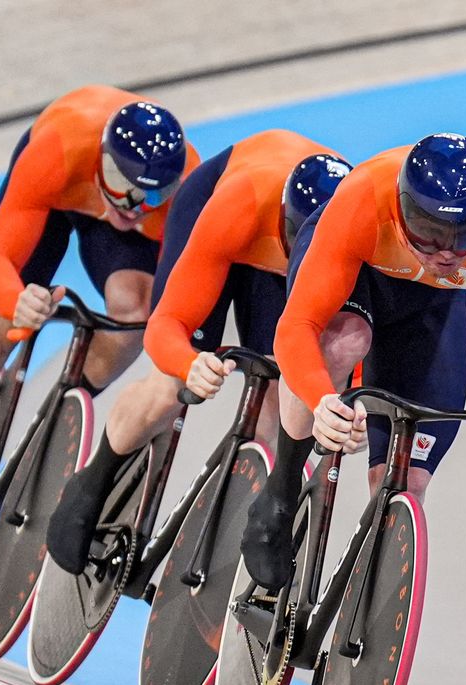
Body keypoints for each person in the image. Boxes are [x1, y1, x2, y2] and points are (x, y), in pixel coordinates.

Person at [0, 85, 200, 588]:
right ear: (102, 163)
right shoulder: (57, 151)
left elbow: (171, 305)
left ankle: (55, 416)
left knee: (135, 313)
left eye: (153, 196)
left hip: (109, 202)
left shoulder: (179, 195)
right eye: (125, 189)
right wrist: (17, 301)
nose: (136, 207)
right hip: (59, 192)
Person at [241, 132, 466, 592]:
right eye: (428, 232)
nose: (445, 251)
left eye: (464, 236)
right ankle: (281, 493)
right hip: (359, 273)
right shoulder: (364, 197)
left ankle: (365, 618)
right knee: (344, 343)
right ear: (401, 208)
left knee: (407, 481)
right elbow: (297, 326)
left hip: (429, 304)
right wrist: (323, 399)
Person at [44, 129, 352, 575]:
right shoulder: (239, 206)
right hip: (230, 206)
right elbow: (165, 325)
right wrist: (190, 362)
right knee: (172, 386)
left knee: (279, 400)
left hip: (283, 239)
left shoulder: (352, 236)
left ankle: (230, 530)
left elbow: (348, 342)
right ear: (285, 223)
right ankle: (92, 480)